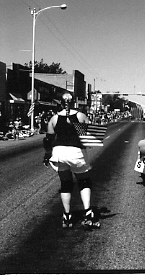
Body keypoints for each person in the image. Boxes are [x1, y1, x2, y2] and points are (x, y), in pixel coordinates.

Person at [43, 92, 100, 229]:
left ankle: (67, 216)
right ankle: (88, 213)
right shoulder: (80, 116)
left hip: (59, 152)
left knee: (66, 184)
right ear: (74, 102)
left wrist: (46, 156)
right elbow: (87, 136)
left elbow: (48, 140)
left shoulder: (54, 118)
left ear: (61, 103)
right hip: (75, 152)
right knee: (84, 181)